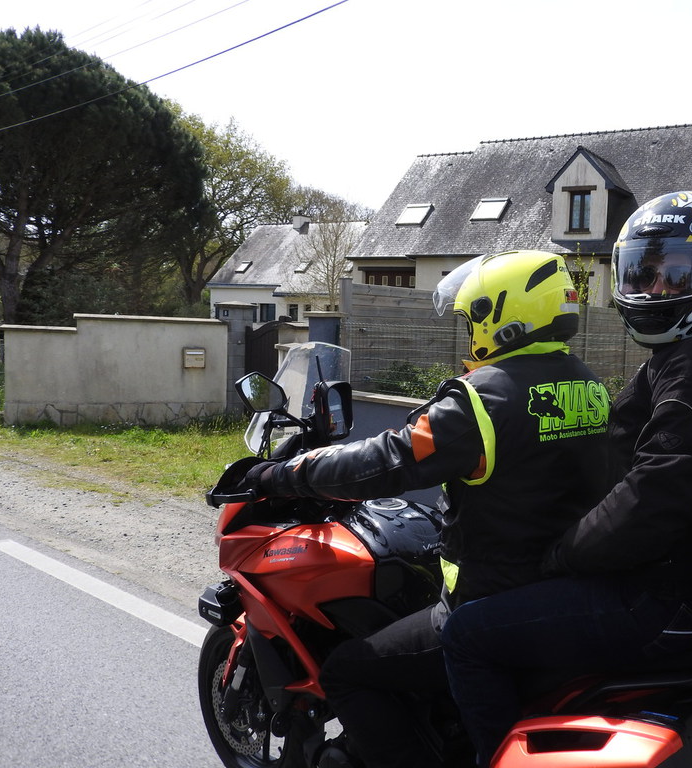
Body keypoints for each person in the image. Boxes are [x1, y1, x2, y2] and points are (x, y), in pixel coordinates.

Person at [238, 250, 611, 768]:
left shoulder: (482, 401)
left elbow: (385, 460)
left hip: (488, 601)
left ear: (503, 317)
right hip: (559, 593)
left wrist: (283, 474)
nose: (470, 331)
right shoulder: (588, 384)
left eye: (474, 318)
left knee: (347, 672)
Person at [440, 191, 692, 767]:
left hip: (655, 595)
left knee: (467, 635)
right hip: (673, 578)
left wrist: (561, 555)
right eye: (645, 274)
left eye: (677, 275)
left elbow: (656, 491)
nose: (657, 290)